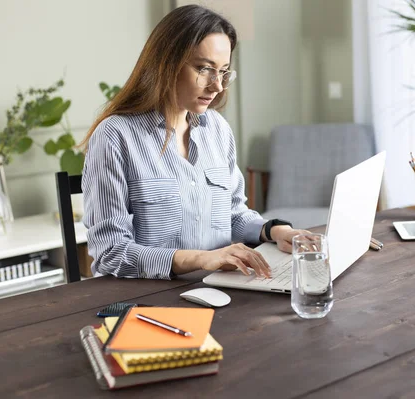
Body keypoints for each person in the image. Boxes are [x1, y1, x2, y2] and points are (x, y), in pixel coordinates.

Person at [81, 5, 309, 280]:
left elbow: (234, 214)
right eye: (204, 69)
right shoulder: (115, 136)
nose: (218, 86)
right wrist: (201, 259)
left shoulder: (217, 129)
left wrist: (275, 230)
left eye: (223, 72)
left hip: (223, 289)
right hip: (151, 297)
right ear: (166, 64)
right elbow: (111, 254)